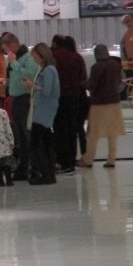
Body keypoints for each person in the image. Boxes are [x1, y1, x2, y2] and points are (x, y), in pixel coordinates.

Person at [78, 45, 125, 168]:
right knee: (113, 133)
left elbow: (92, 85)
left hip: (99, 104)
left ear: (96, 54)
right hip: (115, 103)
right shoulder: (115, 65)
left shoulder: (96, 67)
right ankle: (111, 160)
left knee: (93, 133)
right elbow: (120, 83)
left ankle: (88, 160)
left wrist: (82, 83)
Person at [24, 43, 60, 185]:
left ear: (42, 56)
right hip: (43, 110)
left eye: (35, 57)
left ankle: (46, 174)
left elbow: (47, 90)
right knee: (45, 143)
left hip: (44, 111)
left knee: (38, 143)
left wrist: (33, 86)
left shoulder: (49, 70)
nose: (34, 60)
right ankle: (49, 174)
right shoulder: (46, 69)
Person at [4, 32, 38, 181]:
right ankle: (23, 166)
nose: (7, 52)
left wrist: (14, 64)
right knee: (19, 135)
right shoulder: (17, 58)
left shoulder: (28, 59)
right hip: (16, 99)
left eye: (7, 48)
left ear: (13, 45)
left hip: (24, 99)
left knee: (25, 134)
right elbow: (17, 77)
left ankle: (27, 167)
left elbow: (29, 75)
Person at [51, 35, 87, 174]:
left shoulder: (54, 56)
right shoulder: (76, 57)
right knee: (72, 130)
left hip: (58, 97)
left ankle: (61, 161)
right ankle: (71, 161)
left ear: (55, 43)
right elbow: (83, 77)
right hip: (75, 97)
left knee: (60, 130)